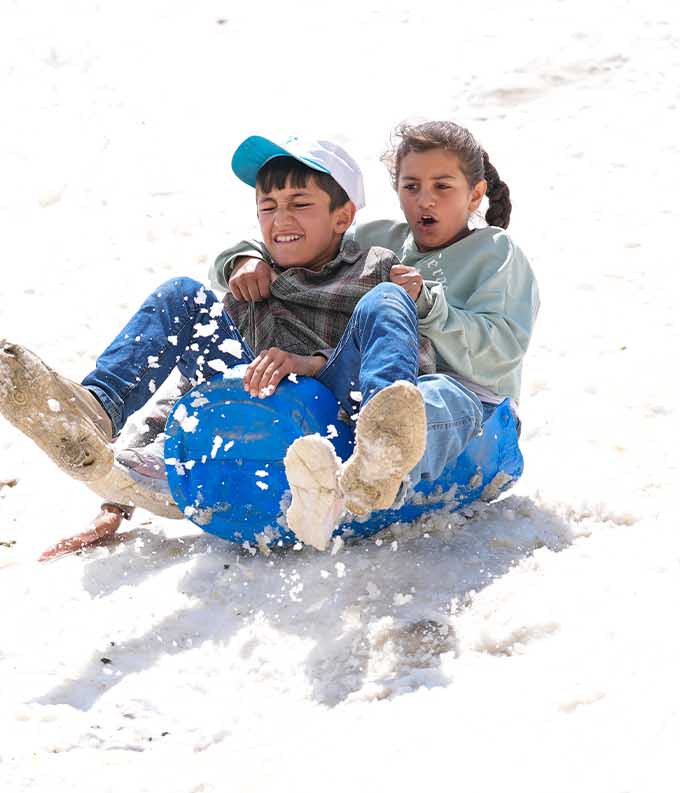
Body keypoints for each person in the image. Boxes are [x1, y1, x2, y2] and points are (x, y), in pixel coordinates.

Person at [0, 134, 430, 557]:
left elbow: (406, 348)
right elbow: (191, 392)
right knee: (182, 292)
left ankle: (381, 447)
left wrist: (312, 364)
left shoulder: (375, 268)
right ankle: (98, 408)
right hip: (250, 401)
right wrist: (113, 496)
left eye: (300, 205)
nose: (281, 219)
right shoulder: (250, 283)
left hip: (332, 403)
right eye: (268, 207)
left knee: (389, 301)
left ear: (343, 216)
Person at [216, 120, 541, 548]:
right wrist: (243, 258)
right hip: (378, 396)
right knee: (381, 323)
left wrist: (430, 306)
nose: (425, 199)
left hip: (475, 409)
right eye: (411, 187)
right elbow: (303, 238)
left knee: (433, 391)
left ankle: (382, 466)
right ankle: (360, 460)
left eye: (442, 186)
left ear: (475, 194)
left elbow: (500, 353)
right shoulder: (379, 239)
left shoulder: (496, 252)